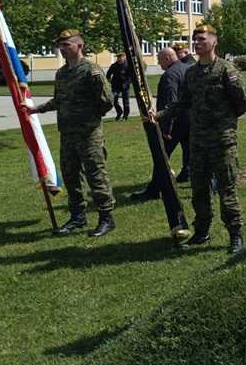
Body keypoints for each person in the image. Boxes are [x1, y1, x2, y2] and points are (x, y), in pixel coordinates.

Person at [154, 25, 246, 255]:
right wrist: (159, 115)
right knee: (199, 190)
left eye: (201, 39)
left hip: (222, 141)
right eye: (194, 39)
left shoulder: (226, 70)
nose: (197, 43)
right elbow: (182, 103)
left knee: (226, 189)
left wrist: (226, 120)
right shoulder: (191, 73)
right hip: (198, 141)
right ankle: (202, 231)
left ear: (214, 41)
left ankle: (235, 234)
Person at [24, 30, 116, 237]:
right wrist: (36, 109)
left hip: (89, 134)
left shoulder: (91, 70)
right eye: (61, 46)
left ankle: (106, 218)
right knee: (71, 175)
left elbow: (107, 101)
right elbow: (59, 100)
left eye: (67, 45)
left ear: (79, 45)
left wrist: (90, 118)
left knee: (96, 175)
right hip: (67, 133)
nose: (62, 49)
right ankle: (78, 217)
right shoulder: (62, 73)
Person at [130, 47, 189, 201]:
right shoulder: (187, 68)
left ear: (168, 58)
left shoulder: (169, 75)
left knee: (161, 157)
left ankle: (154, 190)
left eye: (159, 59)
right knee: (193, 154)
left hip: (176, 123)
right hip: (191, 121)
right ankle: (207, 183)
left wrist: (166, 128)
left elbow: (171, 102)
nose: (158, 62)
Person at [170, 42, 193, 181]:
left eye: (177, 53)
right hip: (190, 113)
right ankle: (187, 171)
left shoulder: (186, 66)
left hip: (184, 113)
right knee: (188, 147)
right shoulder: (190, 64)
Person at [106, 53, 131, 121]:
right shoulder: (114, 65)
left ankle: (125, 116)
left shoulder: (127, 65)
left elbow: (131, 77)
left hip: (125, 86)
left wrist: (127, 83)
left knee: (125, 101)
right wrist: (109, 82)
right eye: (118, 58)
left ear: (124, 57)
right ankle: (119, 112)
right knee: (114, 100)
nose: (119, 59)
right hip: (115, 86)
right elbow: (108, 75)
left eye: (120, 57)